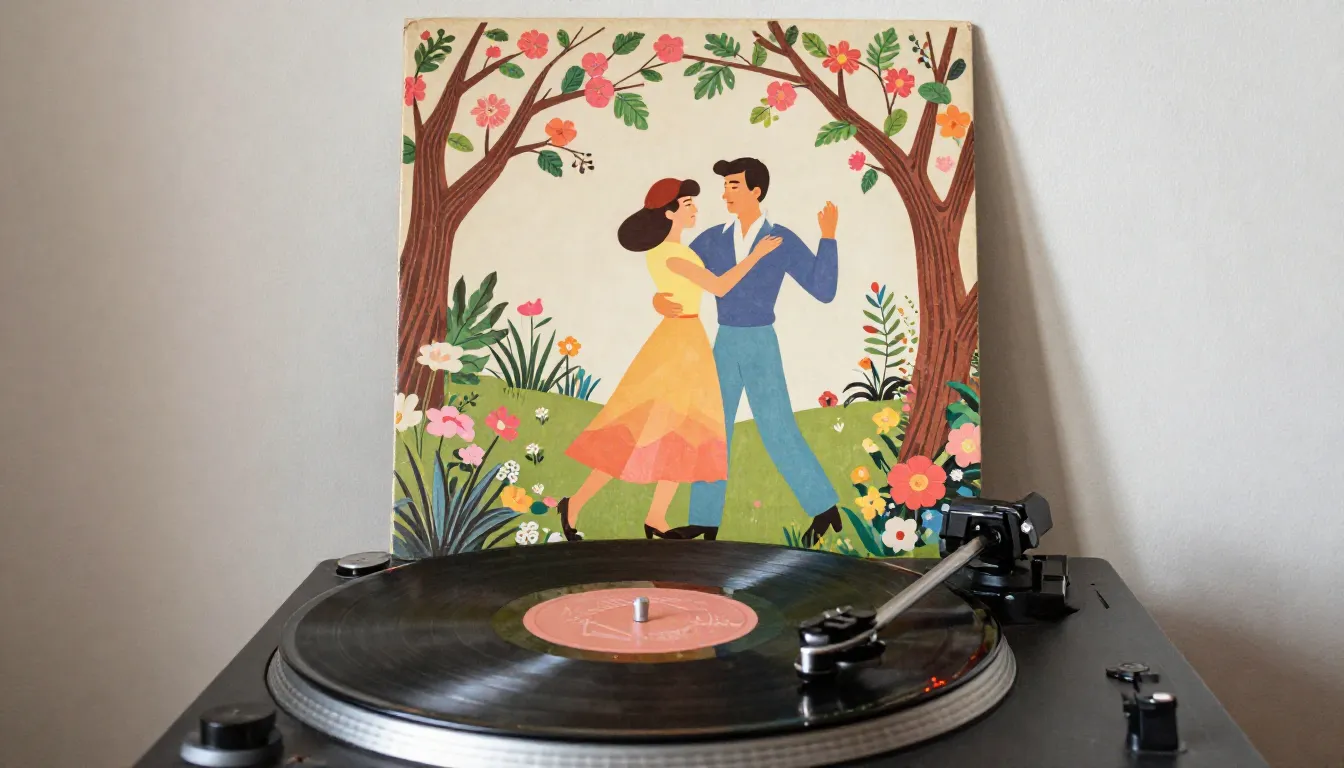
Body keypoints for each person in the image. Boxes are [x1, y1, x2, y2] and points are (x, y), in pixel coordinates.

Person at [557, 178, 783, 541]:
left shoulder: (680, 251)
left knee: (682, 434)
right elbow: (719, 286)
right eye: (688, 204)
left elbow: (681, 287)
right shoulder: (670, 254)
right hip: (676, 345)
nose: (696, 209)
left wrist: (659, 299)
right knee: (639, 433)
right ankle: (576, 504)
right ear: (669, 213)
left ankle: (656, 517)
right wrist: (757, 255)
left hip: (688, 339)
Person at [655, 158, 843, 547]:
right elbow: (678, 274)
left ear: (756, 191)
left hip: (760, 342)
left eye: (734, 185)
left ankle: (824, 508)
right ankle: (704, 522)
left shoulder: (781, 239)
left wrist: (828, 237)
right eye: (725, 186)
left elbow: (823, 289)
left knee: (777, 429)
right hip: (725, 341)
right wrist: (659, 299)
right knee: (711, 430)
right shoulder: (711, 239)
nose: (725, 193)